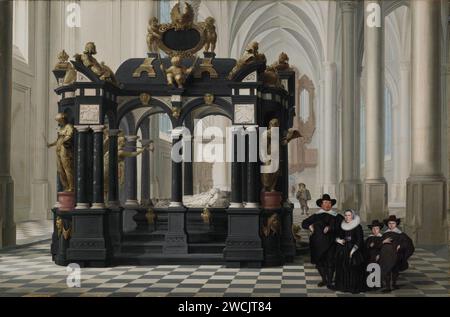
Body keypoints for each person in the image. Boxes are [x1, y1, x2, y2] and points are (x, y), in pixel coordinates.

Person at [301, 194, 343, 289]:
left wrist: (331, 227)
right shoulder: (316, 215)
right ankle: (324, 279)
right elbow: (304, 223)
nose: (327, 204)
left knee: (330, 262)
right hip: (317, 244)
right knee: (320, 263)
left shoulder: (337, 216)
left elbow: (342, 227)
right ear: (321, 204)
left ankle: (329, 281)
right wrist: (309, 226)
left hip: (331, 243)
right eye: (325, 202)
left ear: (331, 204)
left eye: (329, 203)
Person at [379, 215, 415, 292]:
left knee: (395, 270)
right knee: (387, 270)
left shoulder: (400, 234)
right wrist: (383, 242)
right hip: (386, 255)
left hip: (396, 255)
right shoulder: (385, 234)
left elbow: (408, 243)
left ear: (396, 224)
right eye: (389, 223)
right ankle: (388, 287)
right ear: (387, 224)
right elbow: (380, 242)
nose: (391, 225)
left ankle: (394, 284)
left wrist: (401, 246)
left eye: (393, 223)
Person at [334, 209, 365, 294]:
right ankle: (344, 287)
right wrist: (339, 240)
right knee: (343, 268)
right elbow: (338, 236)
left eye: (349, 215)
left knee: (353, 269)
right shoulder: (342, 225)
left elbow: (359, 240)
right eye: (346, 215)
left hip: (354, 249)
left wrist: (353, 251)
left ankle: (352, 287)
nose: (347, 217)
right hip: (343, 249)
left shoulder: (357, 226)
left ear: (352, 216)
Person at [47, 113, 74, 192]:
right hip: (58, 150)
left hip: (64, 149)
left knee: (67, 169)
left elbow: (69, 136)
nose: (59, 123)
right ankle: (65, 187)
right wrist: (50, 144)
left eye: (59, 121)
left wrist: (62, 141)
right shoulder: (61, 128)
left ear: (63, 119)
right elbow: (58, 140)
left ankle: (71, 187)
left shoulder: (69, 126)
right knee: (60, 169)